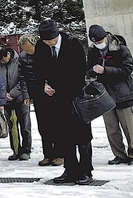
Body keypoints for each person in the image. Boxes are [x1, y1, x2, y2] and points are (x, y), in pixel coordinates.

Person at [34, 18, 94, 185]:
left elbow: (79, 71)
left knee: (82, 137)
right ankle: (70, 169)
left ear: (57, 35)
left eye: (50, 40)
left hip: (75, 98)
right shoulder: (41, 46)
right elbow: (37, 69)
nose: (48, 44)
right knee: (64, 137)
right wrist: (44, 84)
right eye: (45, 41)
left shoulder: (73, 44)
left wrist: (60, 87)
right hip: (55, 101)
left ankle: (85, 170)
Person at [86, 24, 133, 165]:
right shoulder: (92, 52)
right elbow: (87, 70)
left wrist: (105, 70)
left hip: (123, 94)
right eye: (95, 42)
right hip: (105, 96)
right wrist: (92, 71)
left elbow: (127, 68)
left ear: (105, 37)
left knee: (129, 128)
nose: (98, 44)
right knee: (112, 129)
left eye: (99, 41)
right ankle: (119, 155)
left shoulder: (120, 48)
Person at [18, 33, 61, 166]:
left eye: (30, 48)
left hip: (52, 92)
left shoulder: (46, 52)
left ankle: (60, 154)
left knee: (57, 124)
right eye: (25, 49)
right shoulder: (22, 58)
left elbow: (54, 71)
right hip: (37, 93)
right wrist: (26, 94)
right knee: (43, 126)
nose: (29, 51)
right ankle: (48, 154)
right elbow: (23, 77)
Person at [0, 45, 32, 161]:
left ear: (8, 55)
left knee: (25, 125)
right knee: (10, 126)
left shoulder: (19, 60)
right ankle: (15, 150)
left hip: (20, 98)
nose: (2, 62)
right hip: (5, 99)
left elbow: (24, 79)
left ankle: (26, 150)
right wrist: (3, 94)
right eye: (0, 60)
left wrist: (13, 93)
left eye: (3, 59)